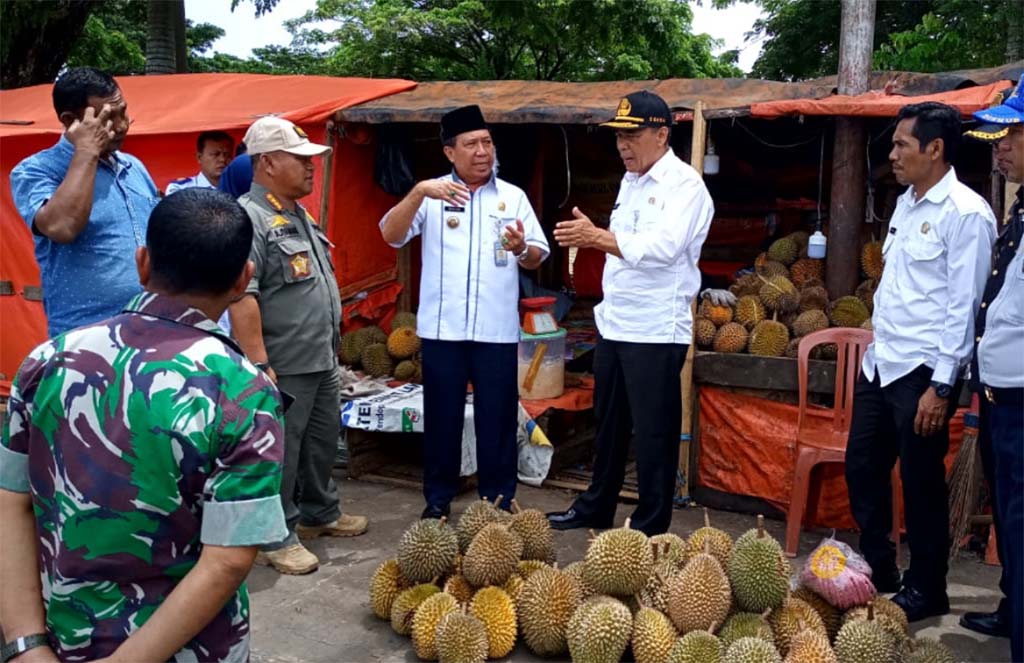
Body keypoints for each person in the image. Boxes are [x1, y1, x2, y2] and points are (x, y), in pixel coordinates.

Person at [0, 188, 287, 662]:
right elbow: (228, 559)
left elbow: (11, 505)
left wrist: (25, 644)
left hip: (61, 641)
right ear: (243, 280)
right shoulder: (244, 392)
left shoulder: (46, 361)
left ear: (142, 263)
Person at [845, 102, 996, 621]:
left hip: (923, 373)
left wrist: (942, 385)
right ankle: (880, 568)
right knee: (862, 466)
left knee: (921, 482)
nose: (893, 155)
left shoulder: (967, 214)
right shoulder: (907, 203)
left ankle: (928, 586)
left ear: (935, 149)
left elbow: (964, 306)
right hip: (882, 361)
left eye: (902, 145)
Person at [546, 91, 714, 536]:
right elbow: (623, 245)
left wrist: (597, 237)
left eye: (633, 134)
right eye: (619, 135)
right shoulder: (631, 182)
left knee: (654, 433)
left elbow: (662, 250)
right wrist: (599, 238)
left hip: (657, 329)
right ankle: (596, 507)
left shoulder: (685, 186)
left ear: (662, 134)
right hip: (616, 322)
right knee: (609, 424)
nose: (623, 144)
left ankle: (649, 526)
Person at [379, 105, 550, 519]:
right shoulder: (433, 194)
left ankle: (499, 501)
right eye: (471, 144)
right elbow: (390, 234)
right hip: (443, 330)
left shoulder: (512, 197)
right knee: (443, 419)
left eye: (487, 142)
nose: (482, 151)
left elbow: (537, 256)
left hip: (495, 330)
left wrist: (521, 248)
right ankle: (437, 501)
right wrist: (419, 192)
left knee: (497, 418)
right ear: (449, 152)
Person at [229, 116, 366, 576]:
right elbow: (242, 295)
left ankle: (319, 513)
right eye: (301, 159)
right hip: (282, 363)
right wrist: (258, 364)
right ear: (267, 162)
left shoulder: (296, 214)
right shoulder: (250, 218)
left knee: (321, 444)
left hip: (319, 357)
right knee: (280, 452)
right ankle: (276, 534)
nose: (312, 168)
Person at [10, 66, 160, 338]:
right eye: (107, 117)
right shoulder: (36, 171)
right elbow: (62, 226)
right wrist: (87, 150)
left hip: (148, 332)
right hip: (83, 338)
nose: (122, 125)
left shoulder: (133, 167)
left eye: (123, 111)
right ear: (70, 120)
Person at [959, 77, 1024, 661]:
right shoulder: (1021, 207)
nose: (998, 145)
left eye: (1011, 132)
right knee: (1011, 518)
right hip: (1004, 397)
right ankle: (1013, 613)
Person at [165, 130, 234, 194]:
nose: (222, 159)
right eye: (215, 154)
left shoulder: (239, 189)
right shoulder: (181, 188)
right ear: (199, 157)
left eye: (227, 155)